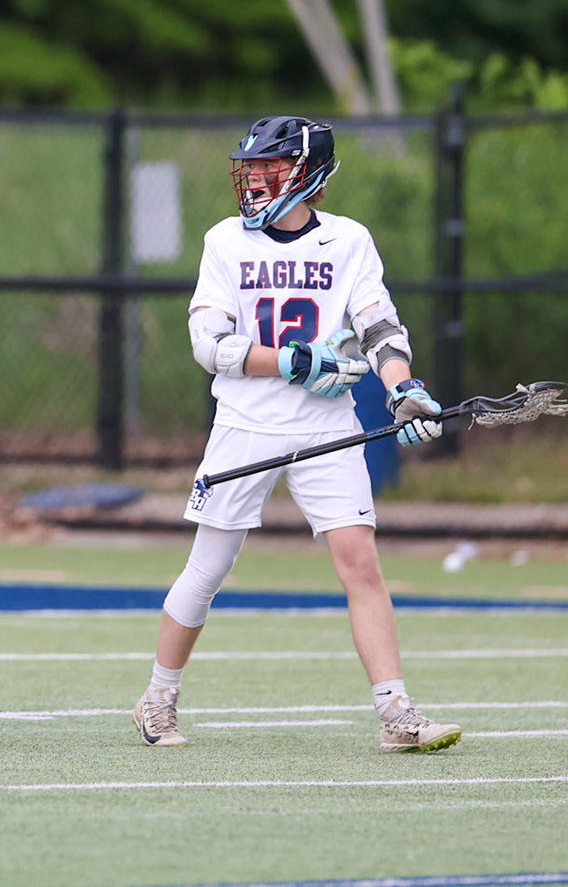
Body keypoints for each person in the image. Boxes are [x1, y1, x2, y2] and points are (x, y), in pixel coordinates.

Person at [135, 115, 461, 754]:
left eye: (270, 167)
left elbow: (380, 329)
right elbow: (209, 343)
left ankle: (396, 712)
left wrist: (403, 389)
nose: (255, 179)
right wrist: (289, 361)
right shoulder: (225, 240)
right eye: (251, 168)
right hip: (246, 423)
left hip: (325, 425)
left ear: (306, 174)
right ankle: (157, 698)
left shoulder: (348, 240)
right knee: (208, 568)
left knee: (361, 564)